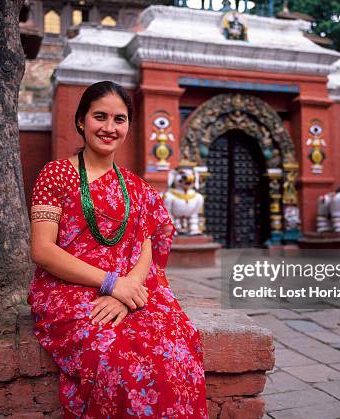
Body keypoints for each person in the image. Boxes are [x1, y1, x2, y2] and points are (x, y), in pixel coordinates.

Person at [27, 81, 208, 418]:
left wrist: (127, 290)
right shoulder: (56, 176)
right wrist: (111, 284)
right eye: (100, 117)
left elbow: (146, 248)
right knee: (119, 362)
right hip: (69, 291)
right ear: (81, 121)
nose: (109, 128)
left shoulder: (134, 186)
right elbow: (42, 250)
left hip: (129, 289)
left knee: (177, 351)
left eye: (119, 119)